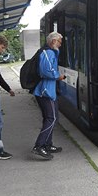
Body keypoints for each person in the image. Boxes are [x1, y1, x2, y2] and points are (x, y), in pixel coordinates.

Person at [30, 32, 65, 160]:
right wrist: (58, 76)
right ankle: (39, 146)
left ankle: (48, 144)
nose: (60, 45)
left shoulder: (50, 52)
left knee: (51, 118)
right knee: (52, 118)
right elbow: (45, 71)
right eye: (60, 42)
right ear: (54, 41)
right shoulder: (48, 52)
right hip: (45, 91)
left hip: (48, 91)